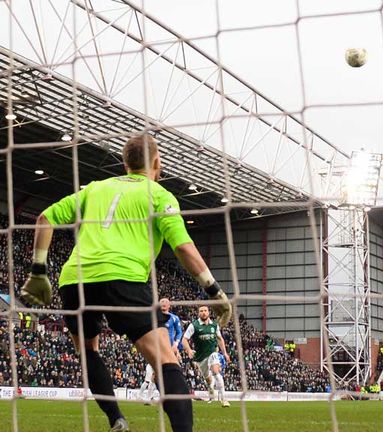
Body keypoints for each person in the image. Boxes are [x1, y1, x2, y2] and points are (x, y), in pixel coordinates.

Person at [20, 134, 232, 432]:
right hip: (125, 278)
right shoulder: (158, 195)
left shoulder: (95, 189)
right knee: (164, 360)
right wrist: (215, 291)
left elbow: (45, 218)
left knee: (88, 352)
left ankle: (116, 418)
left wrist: (39, 271)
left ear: (125, 164)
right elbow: (183, 247)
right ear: (158, 163)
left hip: (76, 279)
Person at [183, 305, 231, 407]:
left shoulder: (214, 325)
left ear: (209, 312)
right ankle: (210, 389)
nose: (203, 312)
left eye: (205, 311)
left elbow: (219, 339)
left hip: (212, 353)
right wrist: (189, 350)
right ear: (198, 313)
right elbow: (184, 339)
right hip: (200, 357)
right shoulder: (194, 325)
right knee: (208, 379)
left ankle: (224, 399)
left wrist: (225, 353)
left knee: (216, 372)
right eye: (201, 311)